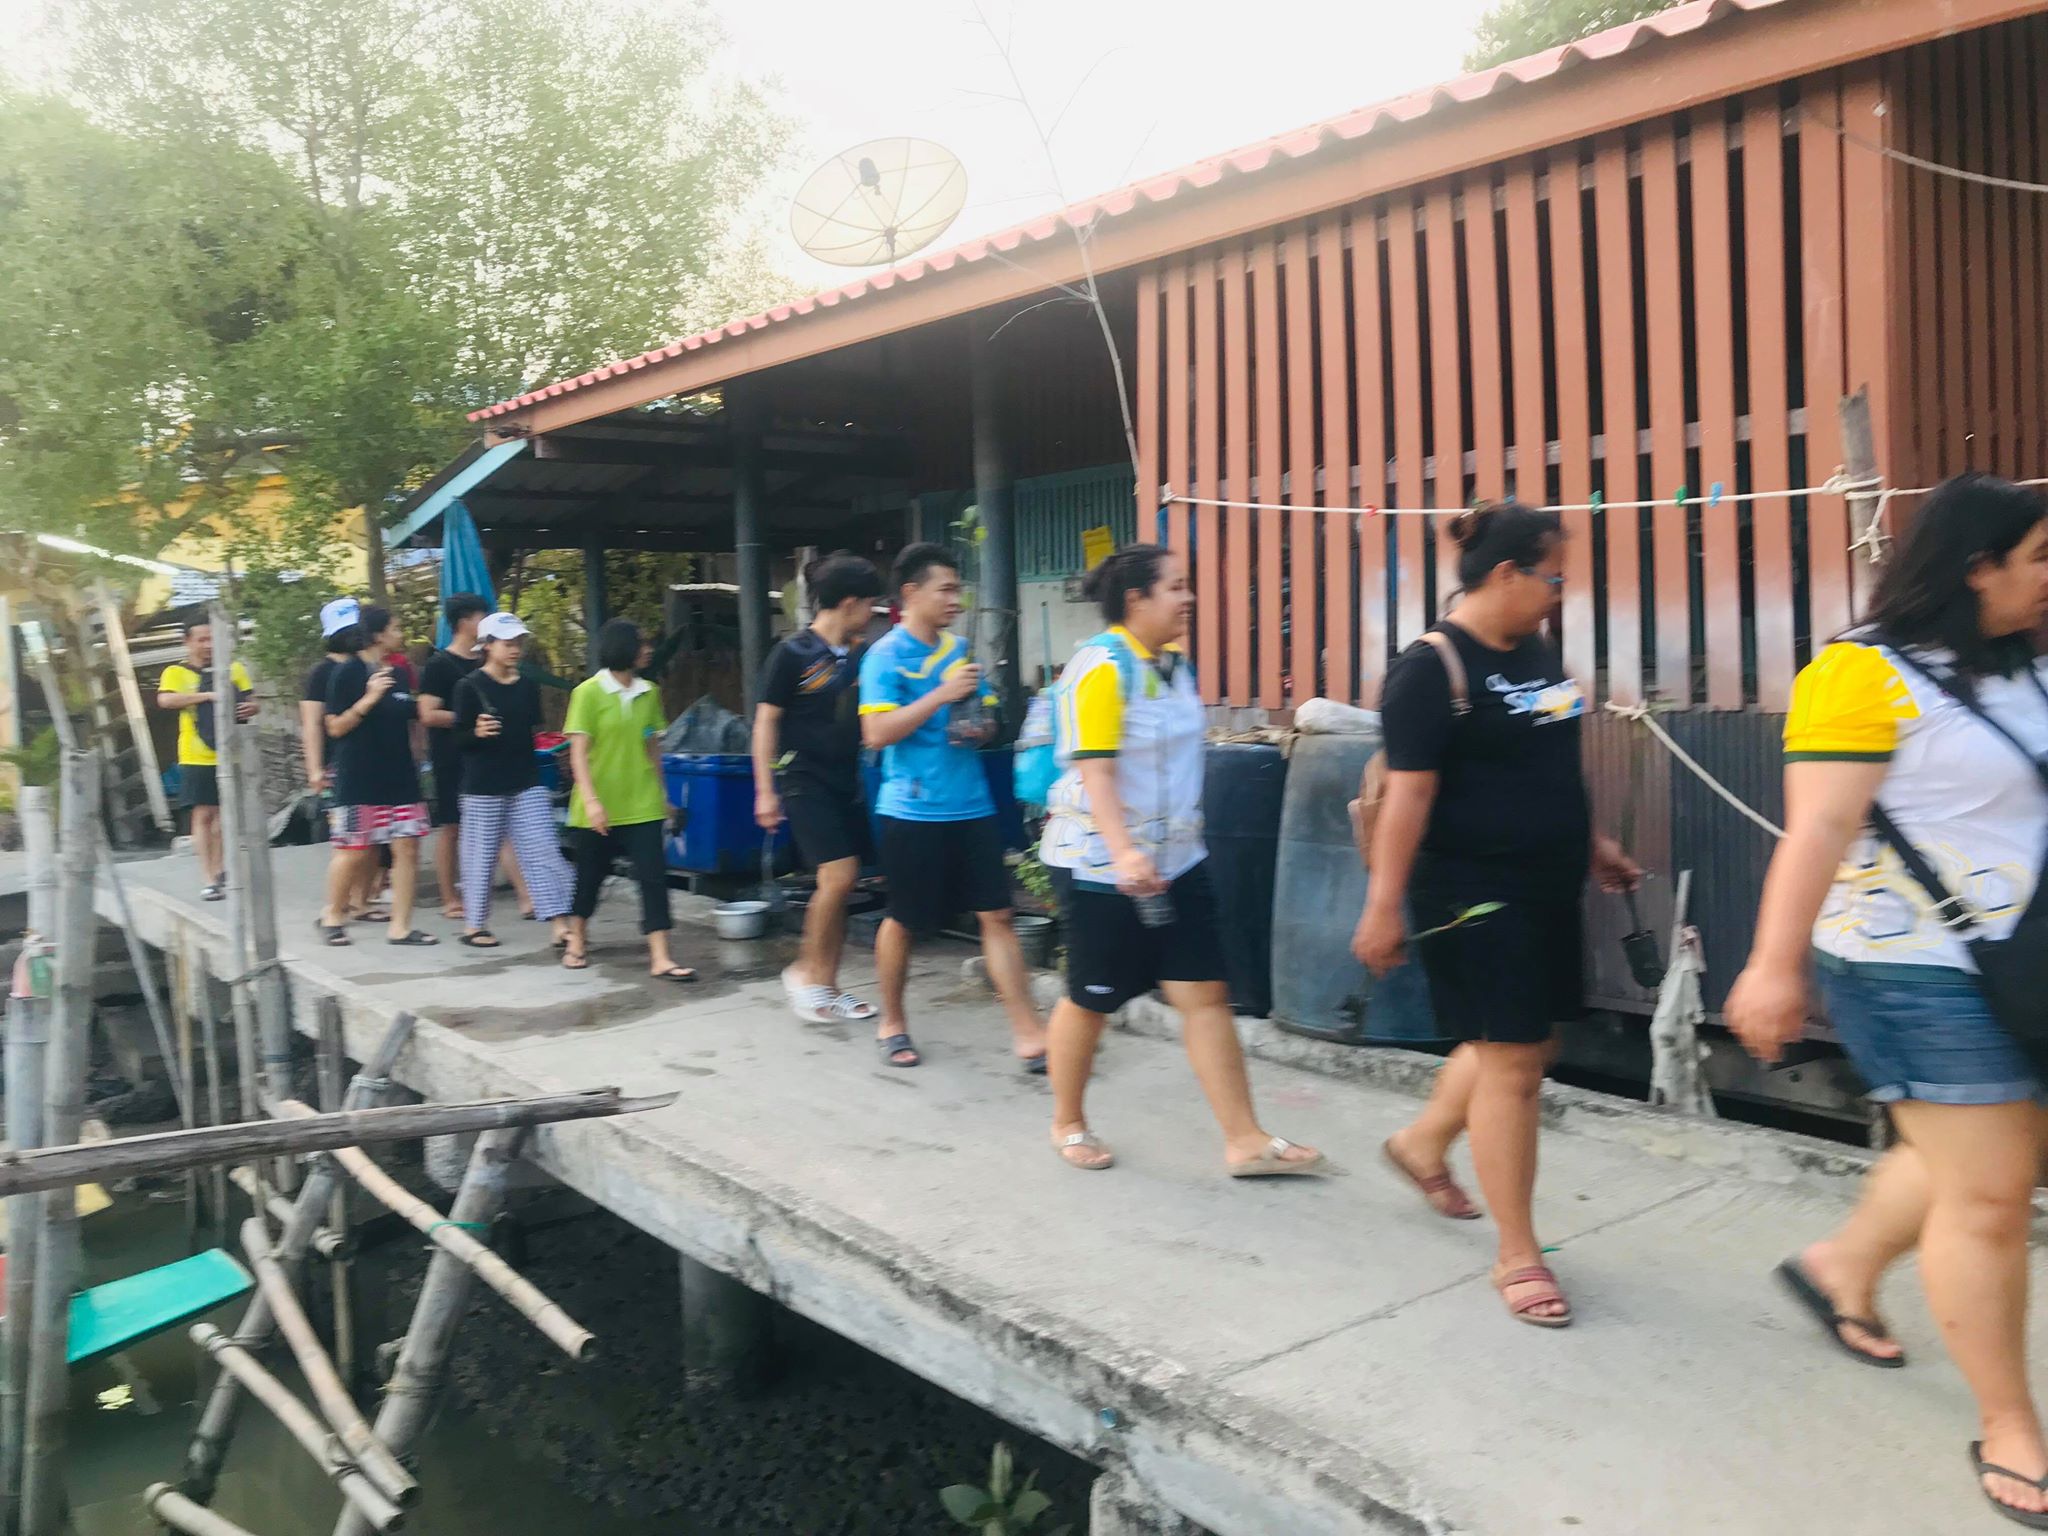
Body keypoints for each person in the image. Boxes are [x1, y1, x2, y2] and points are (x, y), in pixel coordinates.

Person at [1725, 474, 2048, 1526]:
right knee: (1990, 1196)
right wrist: (1772, 966)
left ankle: (1842, 1265)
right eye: (2040, 557)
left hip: (2019, 955)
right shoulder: (1859, 674)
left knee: (1984, 1153)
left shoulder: (2025, 668)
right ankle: (2010, 1425)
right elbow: (1817, 828)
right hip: (1905, 960)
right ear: (1976, 567)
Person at [1353, 501, 1639, 1330]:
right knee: (1514, 1062)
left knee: (1525, 1042)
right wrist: (1382, 906)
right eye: (1553, 576)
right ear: (1508, 573)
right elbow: (1409, 797)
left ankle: (1421, 1143)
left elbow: (1550, 764)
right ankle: (1518, 1253)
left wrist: (1593, 840)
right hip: (1471, 891)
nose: (1560, 590)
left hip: (1547, 879)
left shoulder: (1536, 650)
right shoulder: (1428, 670)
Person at [1041, 545, 1324, 1177]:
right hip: (1101, 864)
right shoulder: (1100, 666)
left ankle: (1244, 1139)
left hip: (1178, 859)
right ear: (1136, 599)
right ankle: (1067, 1121)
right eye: (1176, 586)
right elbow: (1096, 769)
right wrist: (1123, 852)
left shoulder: (1174, 667)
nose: (1189, 598)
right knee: (1091, 997)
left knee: (1205, 995)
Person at [858, 543, 1047, 1070]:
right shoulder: (885, 657)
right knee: (904, 920)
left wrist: (982, 724)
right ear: (911, 593)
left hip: (972, 806)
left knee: (998, 915)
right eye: (945, 589)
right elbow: (876, 734)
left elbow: (985, 717)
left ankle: (1029, 1033)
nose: (955, 600)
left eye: (957, 590)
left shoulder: (960, 651)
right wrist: (939, 696)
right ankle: (892, 1022)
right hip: (912, 810)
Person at [754, 552, 884, 1025]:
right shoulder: (792, 654)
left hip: (846, 780)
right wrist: (765, 790)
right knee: (838, 876)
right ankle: (805, 973)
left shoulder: (861, 656)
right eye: (869, 604)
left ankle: (828, 985)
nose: (872, 614)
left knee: (844, 883)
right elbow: (765, 722)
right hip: (803, 779)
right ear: (849, 603)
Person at [562, 617, 693, 981]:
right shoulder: (587, 693)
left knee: (653, 879)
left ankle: (661, 956)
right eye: (641, 643)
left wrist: (663, 796)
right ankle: (577, 939)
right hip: (598, 805)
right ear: (622, 647)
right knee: (589, 877)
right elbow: (578, 753)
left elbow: (652, 748)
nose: (648, 649)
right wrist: (591, 801)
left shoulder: (649, 692)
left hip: (642, 802)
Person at [317, 605, 437, 947]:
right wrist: (368, 700)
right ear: (377, 635)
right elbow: (334, 727)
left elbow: (411, 713)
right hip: (359, 778)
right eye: (396, 628)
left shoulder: (398, 673)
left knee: (407, 849)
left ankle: (400, 927)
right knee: (354, 850)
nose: (401, 634)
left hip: (400, 777)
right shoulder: (347, 672)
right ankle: (333, 915)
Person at [452, 613, 573, 948]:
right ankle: (474, 925)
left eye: (518, 642)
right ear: (487, 646)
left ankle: (560, 923)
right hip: (483, 786)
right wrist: (475, 733)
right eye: (508, 643)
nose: (515, 649)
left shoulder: (527, 685)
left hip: (526, 780)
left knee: (543, 849)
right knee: (481, 856)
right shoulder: (468, 686)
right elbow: (458, 739)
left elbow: (530, 732)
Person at [420, 594, 533, 921]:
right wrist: (468, 720)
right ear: (463, 622)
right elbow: (427, 713)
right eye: (480, 616)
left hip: (494, 754)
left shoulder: (494, 662)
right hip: (452, 754)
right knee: (452, 826)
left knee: (504, 824)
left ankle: (526, 895)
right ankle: (450, 897)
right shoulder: (439, 665)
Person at [156, 619, 257, 901]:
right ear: (187, 642)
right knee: (202, 815)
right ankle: (209, 877)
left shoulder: (234, 669)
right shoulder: (175, 672)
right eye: (201, 639)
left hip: (229, 753)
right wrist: (208, 696)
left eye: (212, 638)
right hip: (196, 755)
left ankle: (221, 867)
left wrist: (251, 707)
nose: (208, 645)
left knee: (224, 816)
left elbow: (252, 700)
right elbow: (166, 701)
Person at [302, 596, 384, 918]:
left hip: (372, 760)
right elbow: (311, 723)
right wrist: (314, 768)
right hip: (338, 765)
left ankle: (362, 901)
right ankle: (338, 905)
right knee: (349, 841)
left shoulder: (368, 667)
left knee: (373, 838)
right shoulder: (321, 673)